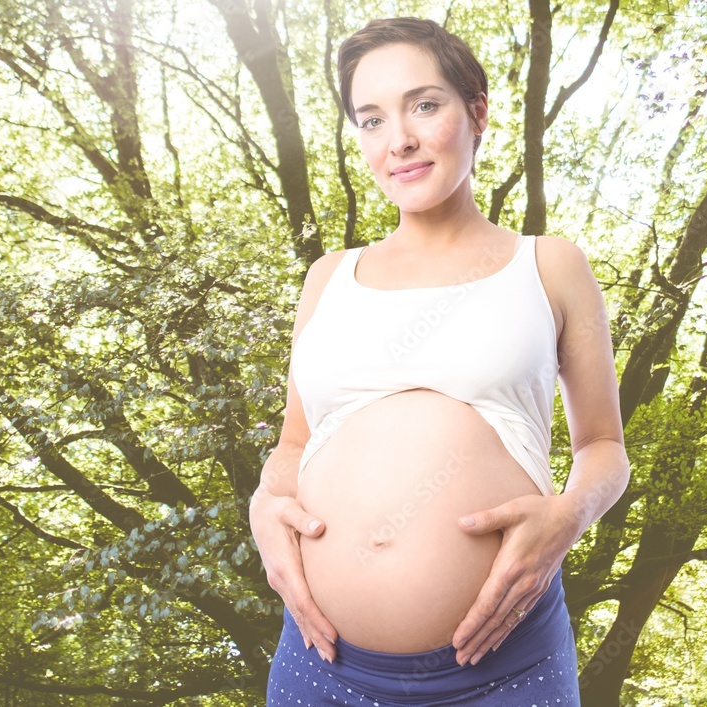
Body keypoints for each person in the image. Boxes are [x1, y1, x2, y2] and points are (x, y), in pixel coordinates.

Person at [249, 16, 630, 706]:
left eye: (424, 105)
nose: (399, 140)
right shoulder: (327, 277)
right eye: (371, 119)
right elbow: (294, 444)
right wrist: (263, 501)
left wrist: (570, 514)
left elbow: (604, 446)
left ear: (476, 111)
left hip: (506, 665)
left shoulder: (549, 265)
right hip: (321, 661)